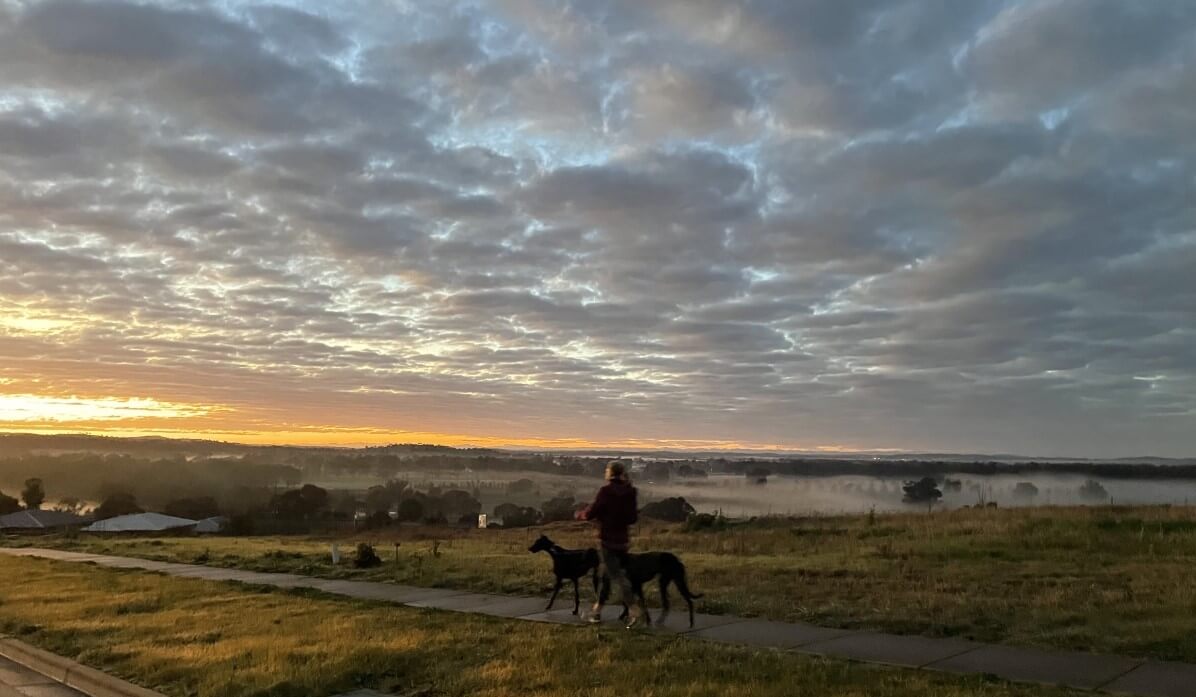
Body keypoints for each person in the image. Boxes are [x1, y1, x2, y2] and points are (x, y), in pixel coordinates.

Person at [576, 460, 644, 626]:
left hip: (607, 540)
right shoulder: (631, 492)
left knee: (617, 576)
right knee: (605, 576)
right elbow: (633, 518)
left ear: (609, 473)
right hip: (623, 541)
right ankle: (597, 612)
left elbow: (592, 512)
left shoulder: (605, 491)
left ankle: (634, 609)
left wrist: (581, 514)